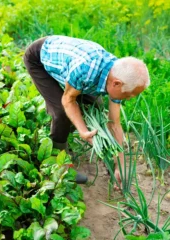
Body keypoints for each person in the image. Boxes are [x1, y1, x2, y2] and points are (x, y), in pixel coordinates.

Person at [23, 35, 150, 185]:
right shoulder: (86, 71)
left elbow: (114, 124)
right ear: (116, 83)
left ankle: (62, 131)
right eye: (127, 95)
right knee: (61, 112)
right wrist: (83, 131)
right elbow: (68, 100)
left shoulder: (119, 75)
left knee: (95, 105)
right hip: (39, 58)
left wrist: (120, 165)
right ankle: (60, 161)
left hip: (69, 61)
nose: (127, 98)